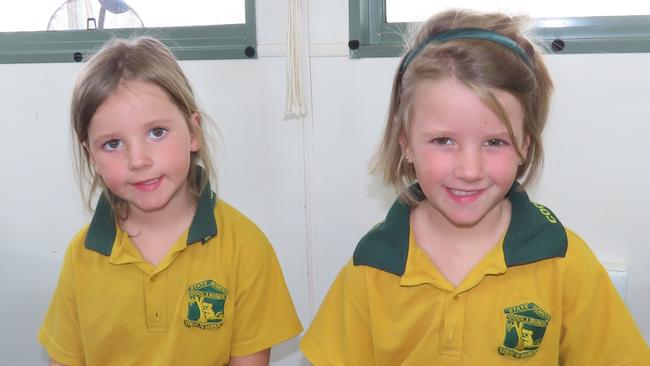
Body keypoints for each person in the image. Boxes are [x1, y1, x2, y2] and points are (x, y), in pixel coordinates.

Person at [300, 9, 650, 365]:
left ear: (525, 145)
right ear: (405, 142)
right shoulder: (374, 264)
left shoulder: (562, 260)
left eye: (494, 142)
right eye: (443, 141)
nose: (469, 170)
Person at [38, 36, 303, 366]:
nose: (138, 159)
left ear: (193, 133)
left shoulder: (245, 248)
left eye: (156, 132)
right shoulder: (82, 257)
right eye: (113, 143)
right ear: (90, 155)